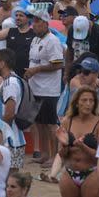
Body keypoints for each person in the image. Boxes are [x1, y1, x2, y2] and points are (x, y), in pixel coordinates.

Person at [26, 10, 64, 169]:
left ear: (45, 23)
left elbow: (58, 64)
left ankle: (54, 156)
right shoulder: (35, 39)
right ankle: (44, 154)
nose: (33, 25)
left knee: (50, 125)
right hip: (36, 87)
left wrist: (37, 70)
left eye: (37, 22)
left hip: (49, 89)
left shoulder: (53, 41)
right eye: (33, 22)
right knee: (39, 123)